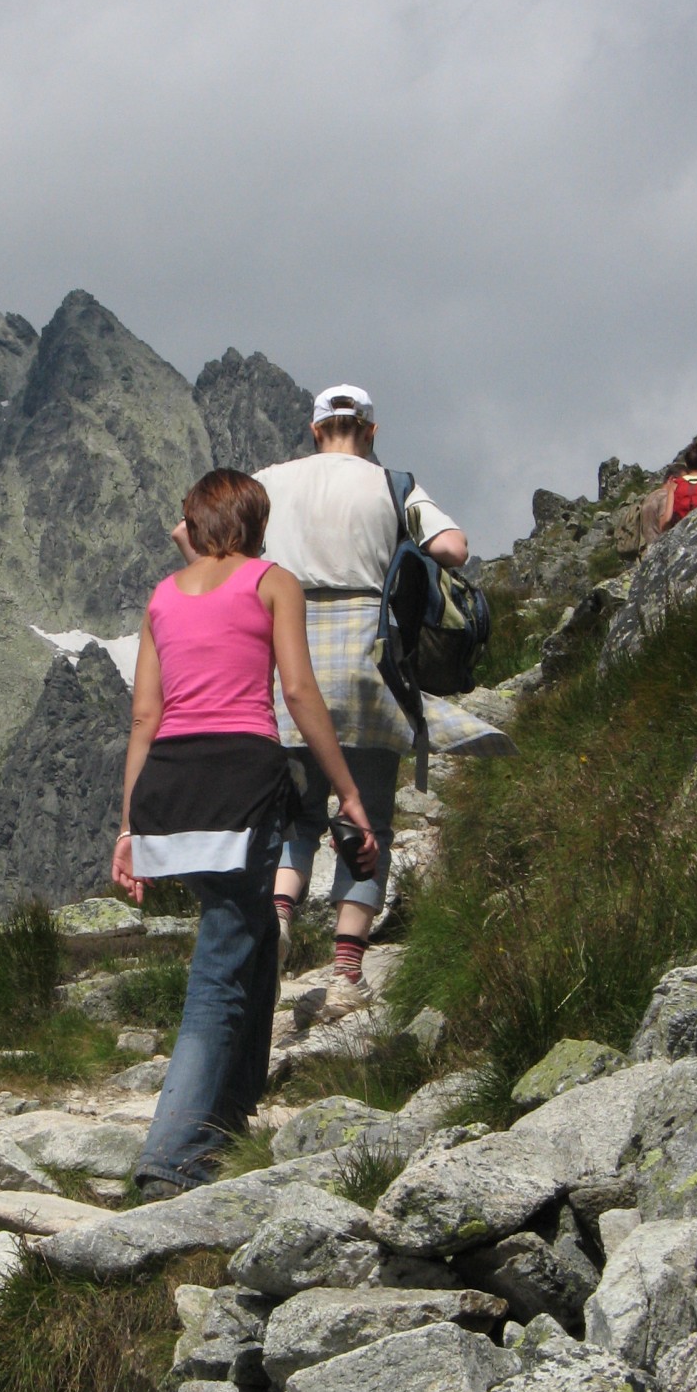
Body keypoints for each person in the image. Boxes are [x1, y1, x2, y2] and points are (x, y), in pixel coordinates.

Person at [113, 467, 374, 1199]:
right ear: (260, 526)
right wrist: (346, 791)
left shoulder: (163, 596)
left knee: (253, 930)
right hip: (242, 782)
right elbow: (296, 690)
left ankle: (231, 1110)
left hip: (169, 789)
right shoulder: (271, 582)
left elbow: (143, 717)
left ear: (192, 527)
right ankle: (170, 1158)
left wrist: (129, 828)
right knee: (220, 967)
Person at [251, 385, 469, 1013]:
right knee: (367, 819)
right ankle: (346, 972)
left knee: (293, 816)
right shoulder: (394, 484)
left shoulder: (268, 482)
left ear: (315, 430)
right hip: (367, 668)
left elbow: (196, 532)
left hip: (282, 666)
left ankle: (279, 922)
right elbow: (453, 548)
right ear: (371, 432)